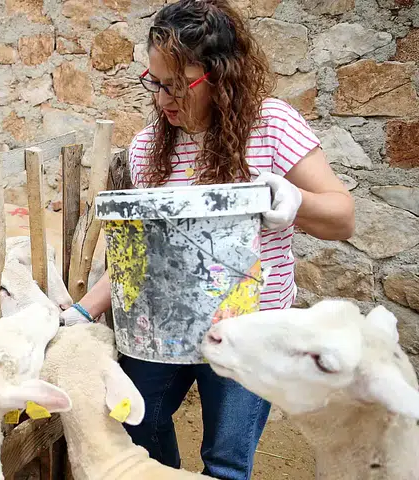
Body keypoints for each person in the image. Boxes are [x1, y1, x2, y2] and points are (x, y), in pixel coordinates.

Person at [60, 1, 355, 479]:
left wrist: (294, 198)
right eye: (154, 83)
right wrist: (83, 310)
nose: (161, 100)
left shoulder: (271, 125)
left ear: (220, 75)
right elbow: (142, 259)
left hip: (250, 331)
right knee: (138, 429)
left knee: (226, 461)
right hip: (164, 328)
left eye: (176, 86)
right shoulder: (146, 149)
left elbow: (343, 218)